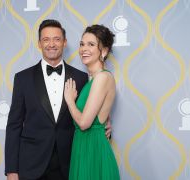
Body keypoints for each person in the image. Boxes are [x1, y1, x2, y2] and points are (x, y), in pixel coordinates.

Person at [5, 19, 111, 180]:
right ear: (39, 43)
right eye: (46, 39)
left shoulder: (82, 77)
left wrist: (106, 123)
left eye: (57, 39)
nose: (51, 44)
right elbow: (14, 125)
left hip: (70, 163)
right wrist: (12, 170)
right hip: (31, 165)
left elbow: (92, 109)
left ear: (65, 42)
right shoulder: (22, 78)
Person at [64, 24, 120, 180]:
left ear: (104, 51)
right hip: (84, 147)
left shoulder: (102, 77)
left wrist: (70, 101)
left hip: (93, 150)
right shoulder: (93, 80)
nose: (83, 49)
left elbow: (84, 123)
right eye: (82, 44)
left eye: (91, 44)